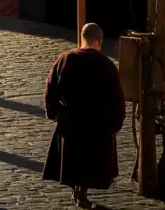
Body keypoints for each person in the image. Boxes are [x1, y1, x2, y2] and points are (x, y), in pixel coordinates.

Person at [42, 23, 126, 209]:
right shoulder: (107, 65)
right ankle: (82, 190)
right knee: (90, 159)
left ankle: (77, 189)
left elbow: (51, 88)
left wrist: (53, 112)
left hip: (71, 119)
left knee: (73, 157)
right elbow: (117, 98)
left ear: (82, 38)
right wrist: (116, 122)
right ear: (100, 41)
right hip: (98, 122)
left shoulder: (65, 59)